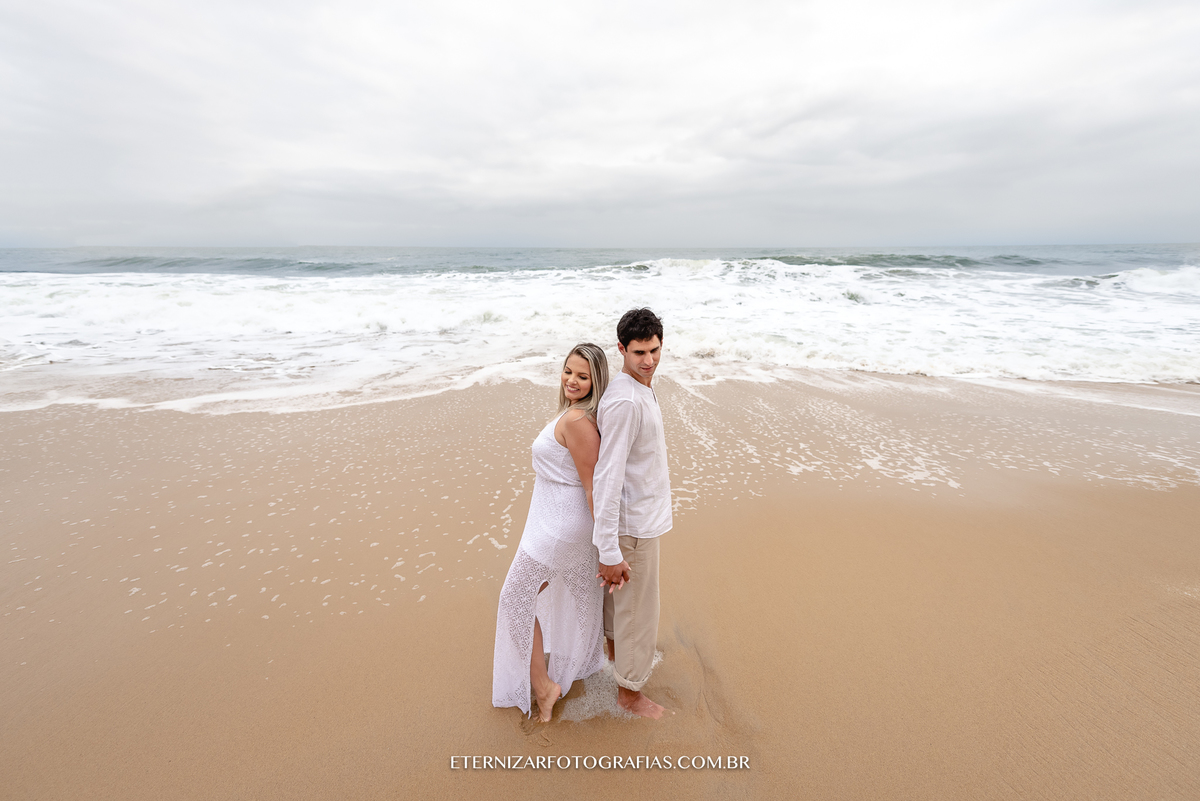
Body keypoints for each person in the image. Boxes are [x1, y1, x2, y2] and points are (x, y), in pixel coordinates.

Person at [492, 343, 610, 721]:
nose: (572, 381)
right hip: (550, 520)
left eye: (583, 376)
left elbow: (593, 486)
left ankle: (545, 687)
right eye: (568, 371)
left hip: (562, 525)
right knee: (573, 592)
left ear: (596, 381)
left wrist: (607, 547)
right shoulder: (570, 414)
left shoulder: (577, 422)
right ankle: (587, 662)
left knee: (515, 597)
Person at [593, 308, 672, 719]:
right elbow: (607, 477)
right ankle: (630, 695)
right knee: (639, 613)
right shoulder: (625, 400)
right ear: (621, 349)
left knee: (621, 607)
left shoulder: (638, 385)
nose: (649, 361)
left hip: (636, 520)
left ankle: (615, 663)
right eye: (639, 352)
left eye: (655, 350)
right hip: (633, 526)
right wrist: (608, 549)